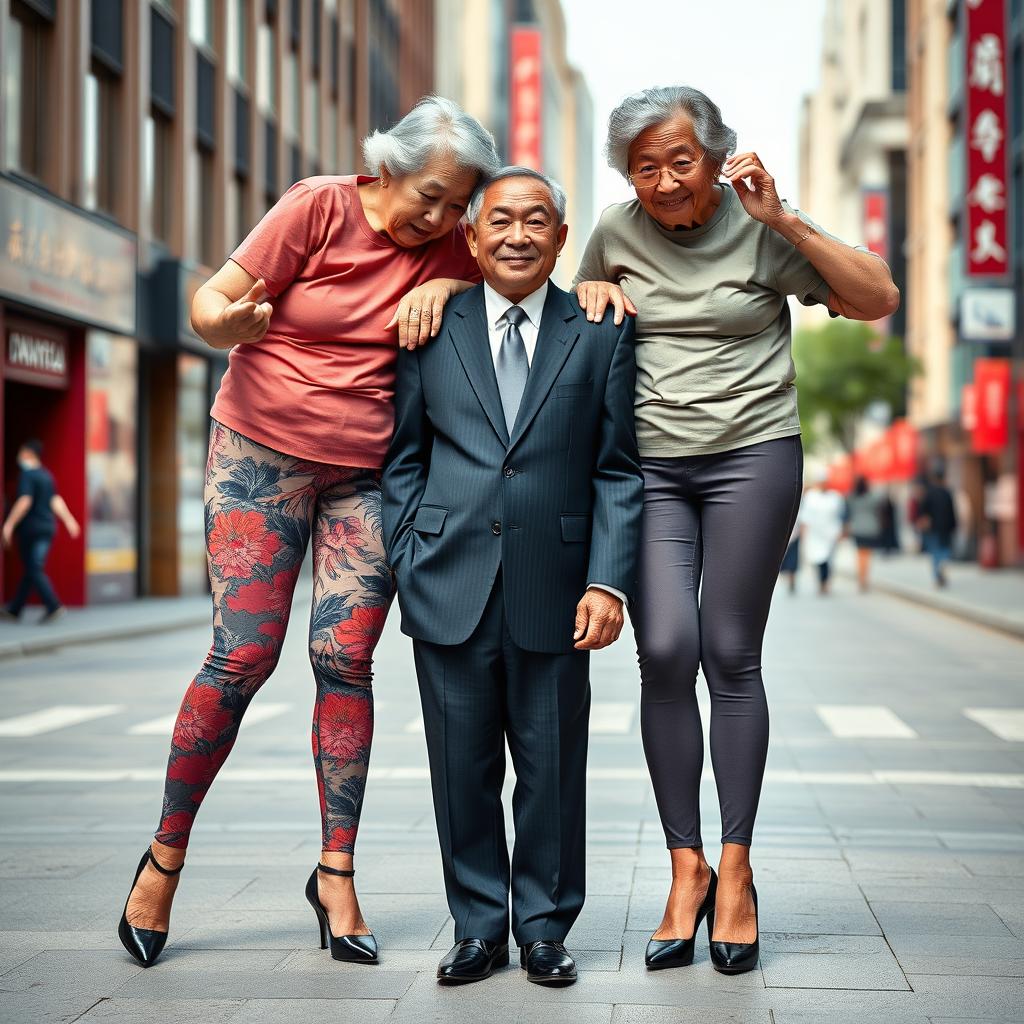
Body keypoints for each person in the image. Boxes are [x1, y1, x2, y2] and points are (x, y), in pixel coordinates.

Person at [117, 96, 500, 970]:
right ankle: (164, 857)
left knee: (344, 660)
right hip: (261, 454)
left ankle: (335, 873)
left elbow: (519, 268)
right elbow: (209, 304)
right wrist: (231, 324)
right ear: (384, 170)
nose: (441, 219)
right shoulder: (317, 206)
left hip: (367, 476)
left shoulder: (454, 247)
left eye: (457, 205)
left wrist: (448, 277)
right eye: (431, 197)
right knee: (243, 655)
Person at [571, 85, 899, 974]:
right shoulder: (613, 228)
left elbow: (876, 298)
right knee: (666, 648)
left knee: (728, 648)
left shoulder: (760, 224)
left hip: (753, 454)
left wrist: (785, 220)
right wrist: (589, 286)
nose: (667, 181)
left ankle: (740, 870)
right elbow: (575, 328)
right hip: (652, 468)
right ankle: (687, 867)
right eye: (646, 167)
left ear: (717, 156)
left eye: (683, 160)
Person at [382, 167, 643, 987]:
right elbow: (403, 460)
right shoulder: (432, 323)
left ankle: (543, 928)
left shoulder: (598, 330)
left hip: (558, 586)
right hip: (449, 579)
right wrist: (409, 556)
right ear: (472, 235)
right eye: (501, 220)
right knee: (460, 769)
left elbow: (618, 471)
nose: (518, 235)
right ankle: (477, 926)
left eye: (537, 221)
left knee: (552, 766)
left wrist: (607, 581)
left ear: (562, 239)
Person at [1, 439, 80, 624]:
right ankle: (15, 610)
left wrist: (9, 524)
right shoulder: (47, 476)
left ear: (28, 453)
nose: (18, 457)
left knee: (34, 567)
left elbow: (25, 501)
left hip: (31, 530)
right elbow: (55, 500)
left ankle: (53, 606)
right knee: (32, 567)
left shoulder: (27, 475)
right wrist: (69, 520)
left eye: (21, 453)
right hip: (48, 528)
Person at [800, 473, 846, 596]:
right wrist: (804, 534)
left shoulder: (835, 497)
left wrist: (841, 531)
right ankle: (821, 582)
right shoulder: (810, 497)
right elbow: (805, 518)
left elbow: (840, 515)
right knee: (817, 559)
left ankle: (825, 582)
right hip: (815, 535)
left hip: (831, 534)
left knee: (828, 560)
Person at [916, 465, 957, 587]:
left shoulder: (929, 494)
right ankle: (942, 568)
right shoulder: (947, 493)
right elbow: (952, 512)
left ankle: (936, 574)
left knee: (935, 551)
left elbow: (922, 510)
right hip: (946, 527)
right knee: (944, 550)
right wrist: (954, 525)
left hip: (933, 528)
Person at [846, 475, 882, 591]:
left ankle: (861, 577)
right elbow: (880, 502)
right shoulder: (871, 497)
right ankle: (864, 577)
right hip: (871, 528)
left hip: (857, 528)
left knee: (860, 554)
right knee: (867, 554)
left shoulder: (852, 498)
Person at [779, 518, 801, 595]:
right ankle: (790, 581)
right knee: (789, 562)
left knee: (792, 563)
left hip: (794, 539)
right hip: (788, 537)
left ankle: (791, 581)